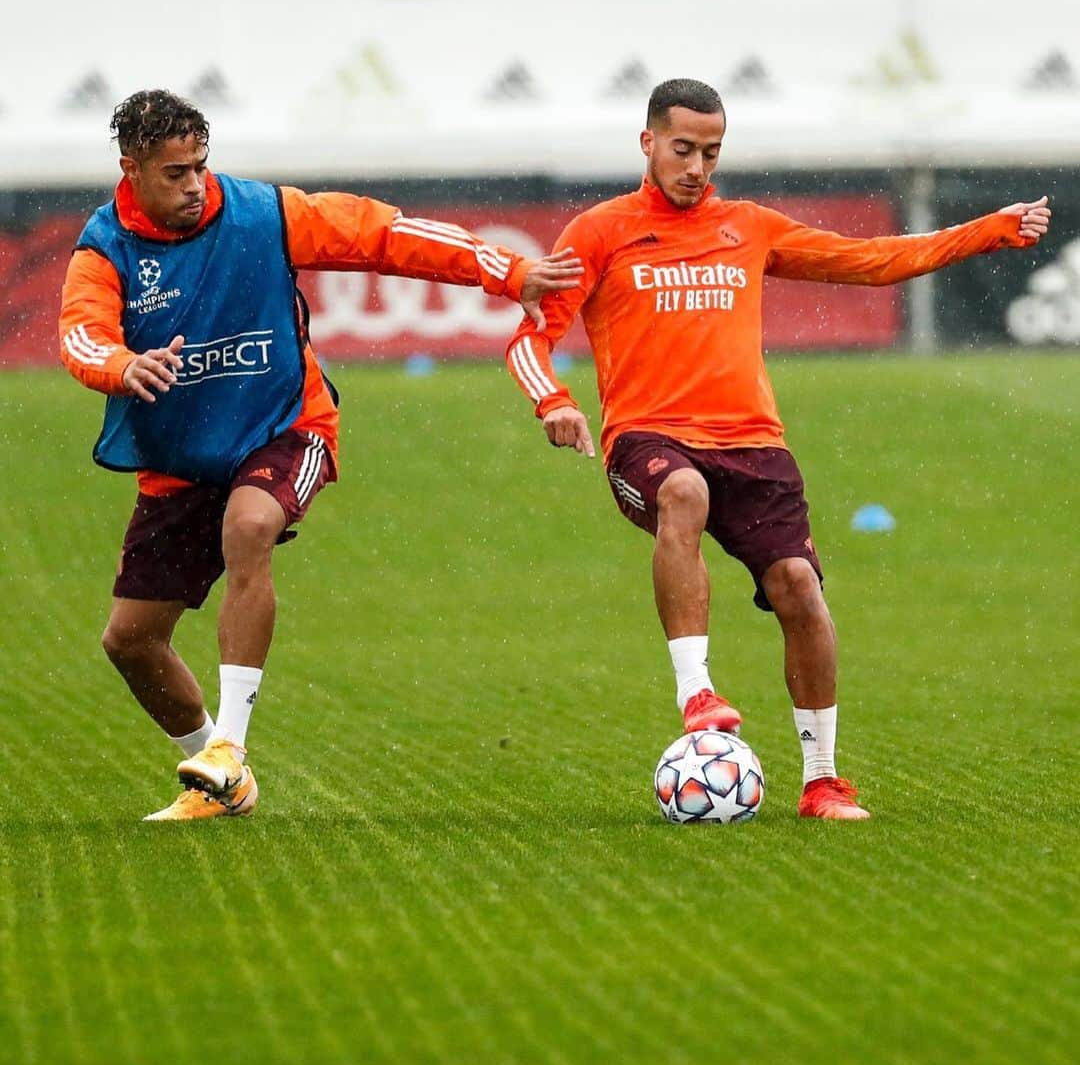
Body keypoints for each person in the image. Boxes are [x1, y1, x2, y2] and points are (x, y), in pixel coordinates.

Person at [505, 78, 1051, 820]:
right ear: (648, 143)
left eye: (711, 152)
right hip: (650, 438)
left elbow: (872, 261)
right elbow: (530, 337)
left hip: (755, 445)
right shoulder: (599, 232)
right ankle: (696, 688)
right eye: (683, 149)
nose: (697, 167)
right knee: (683, 494)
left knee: (799, 587)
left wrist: (987, 230)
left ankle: (822, 780)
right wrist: (555, 402)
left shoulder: (750, 227)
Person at [60, 88, 583, 822]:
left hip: (285, 425)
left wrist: (506, 272)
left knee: (247, 527)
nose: (193, 185)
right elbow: (81, 335)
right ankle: (223, 777)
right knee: (131, 641)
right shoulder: (104, 248)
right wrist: (121, 366)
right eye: (175, 172)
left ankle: (229, 751)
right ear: (131, 168)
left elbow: (385, 234)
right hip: (180, 459)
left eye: (200, 167)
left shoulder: (263, 215)